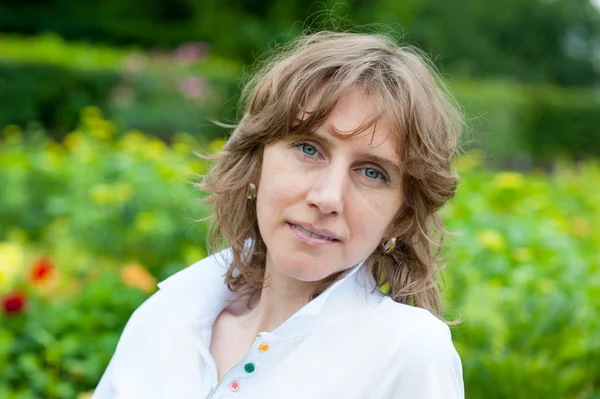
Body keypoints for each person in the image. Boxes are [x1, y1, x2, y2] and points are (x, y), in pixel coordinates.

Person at [93, 30, 465, 399]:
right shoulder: (167, 314)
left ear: (400, 215)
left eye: (372, 172)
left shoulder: (407, 355)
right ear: (257, 161)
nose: (327, 197)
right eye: (308, 148)